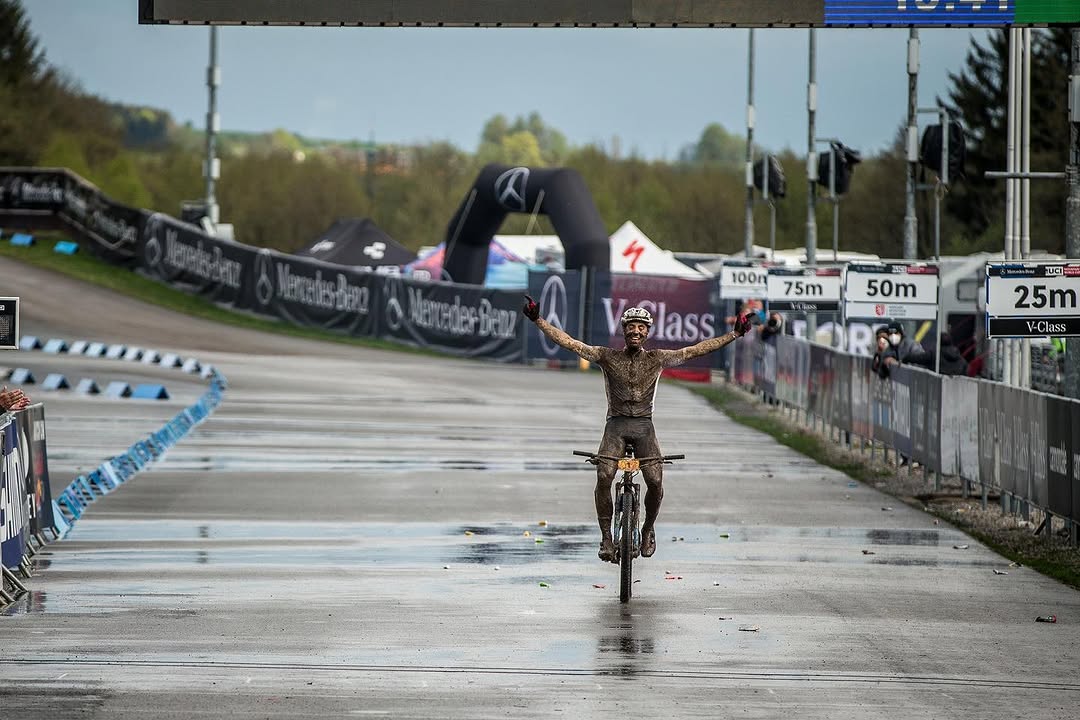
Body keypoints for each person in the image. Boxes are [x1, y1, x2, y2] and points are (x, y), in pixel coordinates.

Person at [522, 295, 753, 562]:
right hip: (616, 426)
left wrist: (735, 334)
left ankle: (647, 530)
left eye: (641, 327)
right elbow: (570, 343)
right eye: (631, 325)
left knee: (655, 481)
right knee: (604, 476)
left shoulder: (658, 358)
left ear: (648, 333)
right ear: (623, 330)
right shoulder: (606, 357)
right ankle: (606, 538)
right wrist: (538, 320)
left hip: (644, 427)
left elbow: (697, 350)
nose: (636, 330)